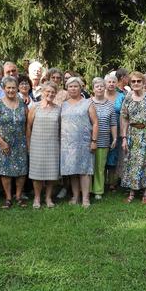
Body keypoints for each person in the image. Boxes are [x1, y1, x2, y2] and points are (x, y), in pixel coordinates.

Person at [120, 71, 146, 204]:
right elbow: (125, 118)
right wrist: (124, 138)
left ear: (143, 83)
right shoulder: (127, 98)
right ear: (130, 83)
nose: (136, 83)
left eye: (139, 81)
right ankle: (132, 192)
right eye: (133, 81)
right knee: (132, 163)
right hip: (133, 135)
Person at [0, 76, 29, 208]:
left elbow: (28, 123)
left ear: (17, 88)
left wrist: (28, 141)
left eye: (13, 87)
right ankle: (8, 197)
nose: (11, 90)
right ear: (3, 88)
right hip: (3, 142)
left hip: (20, 142)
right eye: (8, 88)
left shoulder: (23, 103)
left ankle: (18, 196)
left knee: (21, 170)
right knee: (5, 170)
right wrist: (1, 142)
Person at [60, 77, 99, 207]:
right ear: (67, 88)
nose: (73, 89)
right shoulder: (63, 104)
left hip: (84, 142)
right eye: (70, 86)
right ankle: (75, 196)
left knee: (84, 171)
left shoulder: (88, 103)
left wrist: (94, 141)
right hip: (67, 144)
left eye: (75, 86)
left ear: (80, 88)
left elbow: (95, 123)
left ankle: (86, 198)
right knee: (73, 171)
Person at [26, 82, 62, 208]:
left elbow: (60, 128)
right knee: (37, 173)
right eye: (48, 91)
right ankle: (36, 198)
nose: (50, 94)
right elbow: (28, 127)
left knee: (52, 173)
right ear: (43, 92)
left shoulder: (58, 109)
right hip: (37, 144)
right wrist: (29, 145)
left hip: (53, 145)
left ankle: (48, 198)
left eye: (53, 92)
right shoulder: (34, 107)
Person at [89, 77, 117, 200]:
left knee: (100, 167)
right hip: (89, 140)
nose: (99, 88)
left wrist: (115, 138)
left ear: (104, 88)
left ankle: (98, 190)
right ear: (93, 89)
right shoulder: (88, 103)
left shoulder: (110, 105)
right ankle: (88, 189)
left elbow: (113, 123)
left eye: (101, 86)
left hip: (104, 139)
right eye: (97, 86)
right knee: (89, 166)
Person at [104, 73, 125, 191]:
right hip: (103, 130)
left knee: (114, 156)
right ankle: (102, 181)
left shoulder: (122, 96)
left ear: (117, 84)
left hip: (117, 129)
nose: (111, 84)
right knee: (102, 156)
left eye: (113, 82)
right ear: (105, 83)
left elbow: (125, 114)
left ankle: (113, 182)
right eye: (109, 82)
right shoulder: (100, 94)